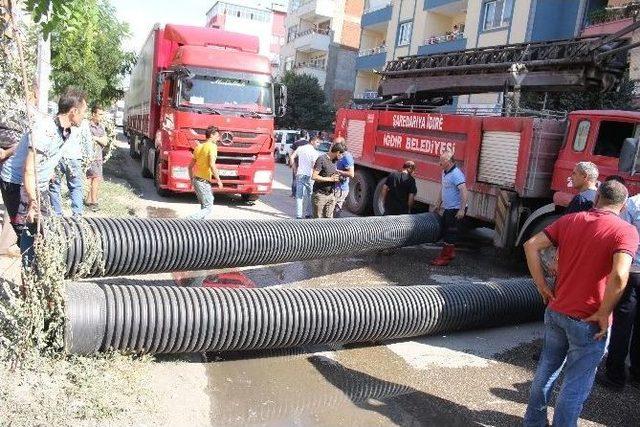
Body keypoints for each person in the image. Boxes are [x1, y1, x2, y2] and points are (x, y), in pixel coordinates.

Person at [522, 180, 638, 427]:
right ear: (624, 204)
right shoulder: (625, 230)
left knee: (545, 373)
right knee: (574, 385)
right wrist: (604, 312)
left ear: (597, 198)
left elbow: (531, 245)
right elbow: (619, 275)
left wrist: (541, 285)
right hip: (588, 319)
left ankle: (533, 423)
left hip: (556, 311)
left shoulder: (570, 220)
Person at [17, 88, 88, 259]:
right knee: (31, 229)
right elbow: (28, 170)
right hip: (24, 185)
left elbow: (47, 157)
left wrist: (50, 172)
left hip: (38, 185)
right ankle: (28, 278)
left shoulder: (64, 130)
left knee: (42, 228)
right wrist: (33, 201)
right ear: (73, 111)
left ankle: (35, 268)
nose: (84, 116)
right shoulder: (46, 129)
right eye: (83, 112)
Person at [596, 191, 640, 391]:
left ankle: (615, 376)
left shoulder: (632, 203)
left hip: (631, 270)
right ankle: (637, 374)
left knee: (622, 324)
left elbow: (619, 234)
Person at [49, 113, 93, 216]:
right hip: (74, 158)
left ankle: (57, 215)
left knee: (54, 186)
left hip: (58, 158)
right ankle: (77, 216)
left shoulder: (57, 118)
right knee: (76, 187)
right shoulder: (83, 122)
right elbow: (87, 141)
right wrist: (89, 156)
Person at [431, 150, 467, 266]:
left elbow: (464, 191)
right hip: (448, 208)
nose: (439, 163)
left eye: (441, 161)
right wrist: (438, 203)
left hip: (455, 209)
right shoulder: (445, 172)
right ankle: (450, 253)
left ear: (449, 161)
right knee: (447, 230)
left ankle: (445, 258)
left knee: (450, 233)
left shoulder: (456, 174)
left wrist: (461, 209)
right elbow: (444, 188)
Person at [188, 126, 222, 219]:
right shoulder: (212, 146)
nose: (218, 139)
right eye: (217, 136)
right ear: (211, 135)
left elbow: (190, 167)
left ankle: (201, 227)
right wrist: (219, 180)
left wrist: (192, 180)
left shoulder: (199, 147)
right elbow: (212, 164)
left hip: (196, 180)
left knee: (204, 205)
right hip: (203, 181)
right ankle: (189, 220)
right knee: (208, 207)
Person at [85, 104, 109, 211]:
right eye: (99, 114)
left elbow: (105, 141)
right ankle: (93, 202)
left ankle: (88, 200)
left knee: (95, 179)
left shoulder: (101, 127)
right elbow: (87, 140)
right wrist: (97, 138)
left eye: (102, 114)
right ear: (93, 114)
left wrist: (95, 138)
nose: (101, 116)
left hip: (99, 157)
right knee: (94, 179)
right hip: (90, 158)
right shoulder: (86, 126)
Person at [312, 142, 345, 218]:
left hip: (331, 195)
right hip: (320, 195)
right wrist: (330, 179)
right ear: (337, 152)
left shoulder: (334, 161)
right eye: (341, 154)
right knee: (317, 221)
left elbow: (331, 175)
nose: (342, 157)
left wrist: (337, 178)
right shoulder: (321, 159)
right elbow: (314, 176)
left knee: (329, 222)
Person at [290, 135, 320, 219]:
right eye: (317, 142)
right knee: (310, 195)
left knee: (299, 196)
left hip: (300, 174)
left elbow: (292, 157)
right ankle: (308, 214)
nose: (318, 144)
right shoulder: (314, 153)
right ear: (312, 141)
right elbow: (313, 165)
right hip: (310, 176)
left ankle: (299, 216)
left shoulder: (300, 148)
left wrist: (295, 170)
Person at [333, 136, 354, 217]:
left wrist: (337, 171)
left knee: (336, 210)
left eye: (336, 144)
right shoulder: (339, 155)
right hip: (336, 186)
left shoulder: (347, 157)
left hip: (341, 188)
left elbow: (351, 174)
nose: (333, 145)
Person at [288, 131, 309, 197]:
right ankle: (301, 194)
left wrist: (291, 163)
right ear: (306, 136)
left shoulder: (295, 143)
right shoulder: (308, 144)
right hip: (305, 163)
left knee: (295, 178)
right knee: (304, 179)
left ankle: (293, 194)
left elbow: (290, 153)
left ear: (300, 135)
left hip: (296, 163)